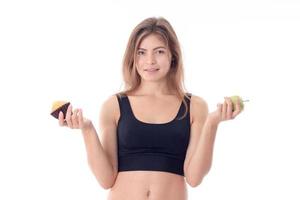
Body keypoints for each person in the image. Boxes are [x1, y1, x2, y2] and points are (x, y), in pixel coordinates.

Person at [58, 17, 243, 200]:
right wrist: (87, 129)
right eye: (141, 52)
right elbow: (106, 180)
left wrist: (212, 123)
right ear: (133, 57)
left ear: (173, 56)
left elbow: (194, 178)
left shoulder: (195, 106)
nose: (150, 61)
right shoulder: (114, 106)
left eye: (159, 52)